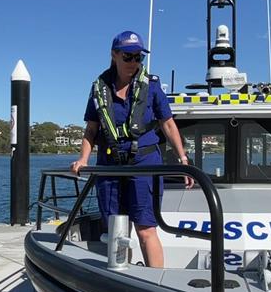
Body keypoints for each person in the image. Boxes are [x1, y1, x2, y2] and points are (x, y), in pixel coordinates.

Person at [70, 31, 192, 268]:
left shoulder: (152, 86)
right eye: (128, 56)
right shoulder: (98, 89)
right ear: (114, 55)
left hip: (144, 164)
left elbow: (167, 123)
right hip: (110, 166)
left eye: (138, 58)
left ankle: (157, 285)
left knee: (146, 228)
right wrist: (82, 159)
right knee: (116, 228)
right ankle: (122, 279)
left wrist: (183, 158)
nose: (134, 62)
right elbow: (91, 130)